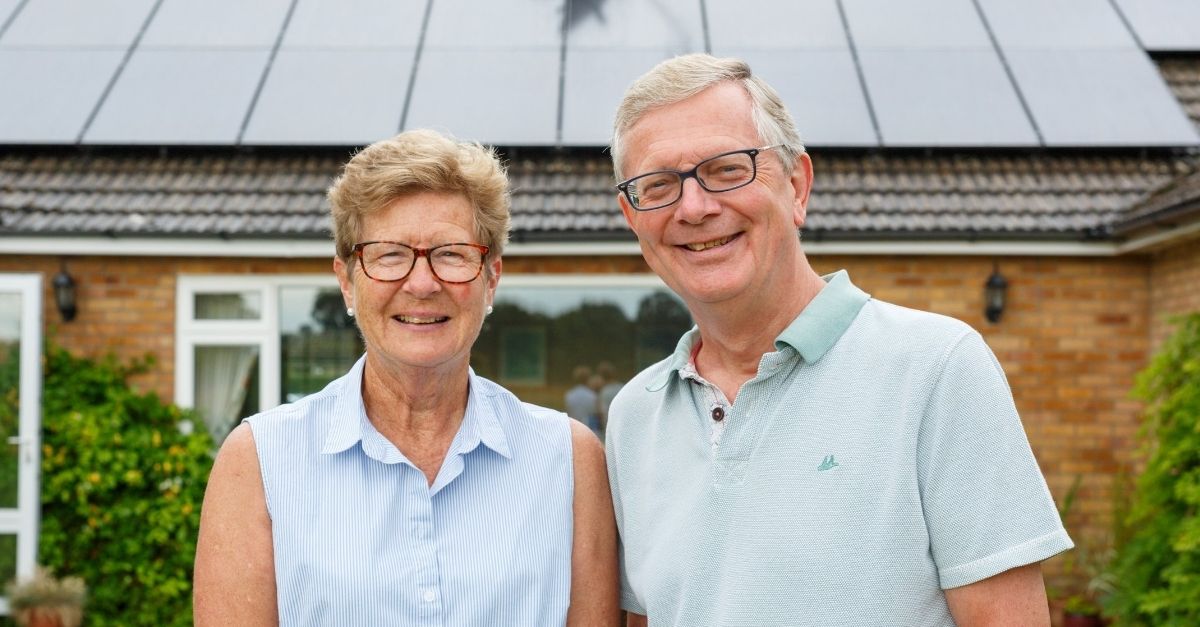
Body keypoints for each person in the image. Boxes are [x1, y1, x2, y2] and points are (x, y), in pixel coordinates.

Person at [604, 53, 1072, 626]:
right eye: (658, 186)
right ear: (633, 218)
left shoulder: (935, 368)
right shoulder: (635, 416)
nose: (695, 208)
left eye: (728, 170)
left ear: (798, 186)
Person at [194, 130, 619, 626]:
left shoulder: (568, 458)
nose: (421, 283)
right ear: (346, 281)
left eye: (452, 254)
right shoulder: (259, 460)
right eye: (390, 254)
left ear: (491, 279)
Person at [564, 364, 600, 433]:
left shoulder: (569, 395)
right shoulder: (592, 395)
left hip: (573, 428)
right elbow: (596, 414)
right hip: (590, 429)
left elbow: (568, 412)